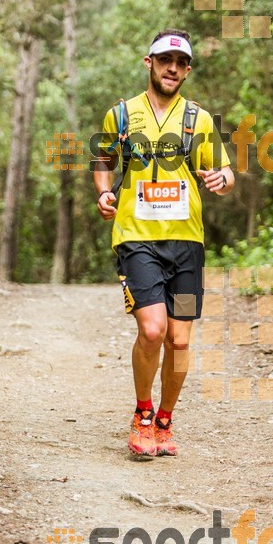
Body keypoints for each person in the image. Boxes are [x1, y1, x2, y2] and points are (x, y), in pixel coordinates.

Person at [94, 28, 234, 458]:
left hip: (187, 244)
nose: (172, 68)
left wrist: (220, 179)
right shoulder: (120, 115)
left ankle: (165, 421)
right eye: (164, 60)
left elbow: (226, 174)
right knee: (152, 330)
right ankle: (141, 413)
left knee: (180, 340)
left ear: (187, 69)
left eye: (180, 63)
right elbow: (103, 158)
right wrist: (103, 192)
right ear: (149, 62)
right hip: (137, 240)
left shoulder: (200, 119)